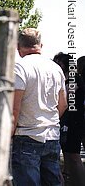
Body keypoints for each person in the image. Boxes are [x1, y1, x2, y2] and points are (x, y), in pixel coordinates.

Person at [11, 28, 67, 186]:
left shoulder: (20, 68)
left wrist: (8, 136)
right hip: (51, 135)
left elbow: (14, 109)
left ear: (18, 46)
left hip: (27, 135)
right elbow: (63, 104)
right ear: (41, 45)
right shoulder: (56, 68)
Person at [53, 53, 85, 185]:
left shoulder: (74, 80)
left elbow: (65, 98)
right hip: (66, 121)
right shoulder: (66, 80)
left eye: (58, 62)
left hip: (74, 122)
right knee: (67, 155)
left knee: (74, 155)